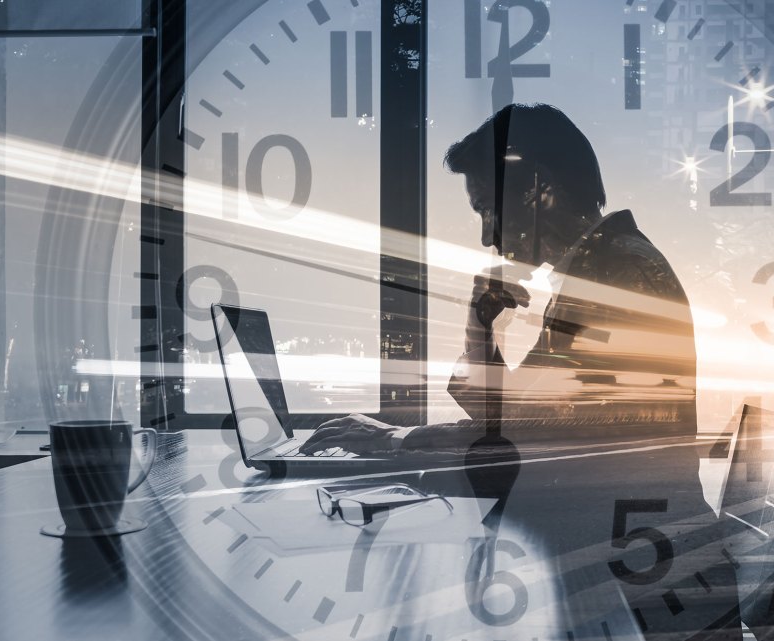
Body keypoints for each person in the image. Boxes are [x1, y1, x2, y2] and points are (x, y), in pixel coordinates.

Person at [302, 104, 740, 639]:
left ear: (536, 188)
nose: (487, 236)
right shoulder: (599, 270)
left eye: (487, 207)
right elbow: (510, 418)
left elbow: (523, 438)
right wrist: (479, 325)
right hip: (634, 562)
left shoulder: (618, 275)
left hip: (644, 590)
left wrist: (396, 441)